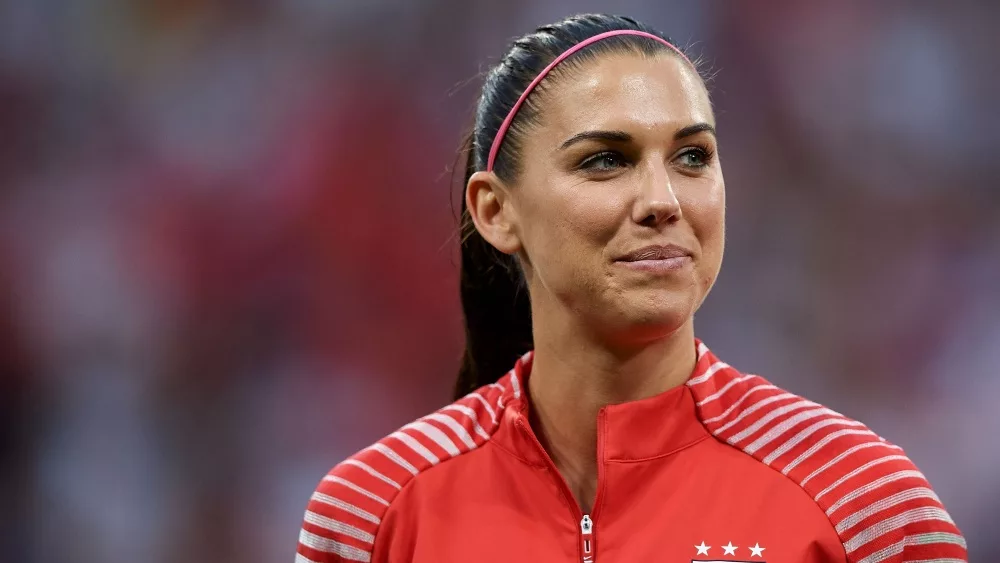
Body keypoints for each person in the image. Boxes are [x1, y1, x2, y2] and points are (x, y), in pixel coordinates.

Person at [294, 13, 967, 563]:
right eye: (606, 160)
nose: (662, 200)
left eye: (692, 156)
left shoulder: (864, 502)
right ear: (496, 211)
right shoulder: (371, 512)